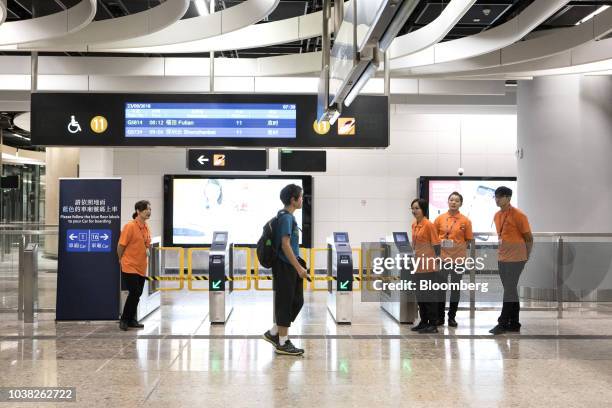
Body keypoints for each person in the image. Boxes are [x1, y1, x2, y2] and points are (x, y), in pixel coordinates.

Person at [263, 184, 308, 355]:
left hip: (290, 265)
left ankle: (274, 332)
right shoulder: (286, 218)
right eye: (301, 197)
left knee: (297, 301)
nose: (302, 200)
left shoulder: (287, 217)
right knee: (285, 302)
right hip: (285, 266)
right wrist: (299, 269)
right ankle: (283, 342)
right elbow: (285, 245)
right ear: (293, 199)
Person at [489, 186, 533, 335]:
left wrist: (527, 256)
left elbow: (529, 238)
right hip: (502, 257)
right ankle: (514, 323)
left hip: (516, 258)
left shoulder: (519, 215)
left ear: (508, 198)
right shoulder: (496, 215)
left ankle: (502, 323)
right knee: (511, 290)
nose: (497, 199)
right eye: (495, 196)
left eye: (500, 196)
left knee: (508, 290)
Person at [434, 192, 474, 327]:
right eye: (451, 200)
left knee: (455, 289)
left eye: (457, 201)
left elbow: (468, 240)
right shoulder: (440, 218)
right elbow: (434, 238)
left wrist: (457, 249)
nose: (453, 202)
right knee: (440, 289)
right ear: (448, 201)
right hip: (442, 259)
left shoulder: (465, 221)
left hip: (458, 260)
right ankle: (439, 317)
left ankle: (452, 317)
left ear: (460, 204)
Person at [117, 200, 152, 331]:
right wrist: (120, 259)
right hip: (129, 265)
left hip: (141, 266)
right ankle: (124, 319)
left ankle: (132, 320)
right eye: (146, 210)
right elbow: (121, 245)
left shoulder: (147, 227)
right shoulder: (130, 226)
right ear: (138, 211)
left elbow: (146, 244)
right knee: (135, 292)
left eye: (149, 209)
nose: (149, 212)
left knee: (138, 294)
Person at [410, 198, 441, 334]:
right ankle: (424, 322)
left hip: (428, 266)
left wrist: (437, 261)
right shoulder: (414, 224)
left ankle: (433, 324)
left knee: (429, 296)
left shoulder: (429, 225)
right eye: (413, 208)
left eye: (417, 208)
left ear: (423, 209)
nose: (414, 211)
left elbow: (436, 244)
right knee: (420, 296)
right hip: (418, 265)